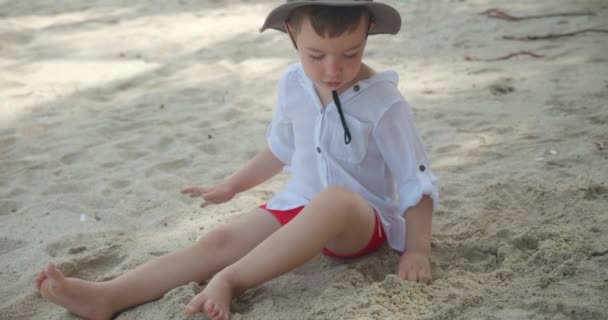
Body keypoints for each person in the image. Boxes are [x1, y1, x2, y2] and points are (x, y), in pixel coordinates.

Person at [35, 1, 438, 319]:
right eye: (317, 55)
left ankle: (230, 280)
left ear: (368, 34)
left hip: (358, 222)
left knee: (333, 199)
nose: (333, 70)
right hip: (299, 205)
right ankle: (108, 296)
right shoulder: (292, 85)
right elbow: (282, 149)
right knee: (219, 239)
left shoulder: (384, 102)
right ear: (292, 36)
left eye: (350, 53)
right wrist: (232, 185)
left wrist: (417, 250)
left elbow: (413, 179)